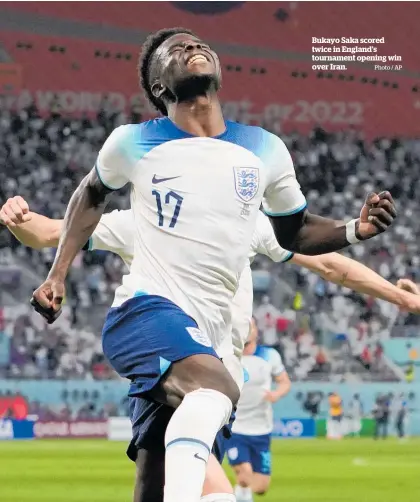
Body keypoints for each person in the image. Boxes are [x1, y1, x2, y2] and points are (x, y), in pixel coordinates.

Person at [24, 27, 396, 502]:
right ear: (160, 87)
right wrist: (57, 274)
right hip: (146, 312)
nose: (192, 48)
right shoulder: (132, 142)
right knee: (217, 390)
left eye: (198, 44)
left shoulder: (264, 149)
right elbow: (88, 195)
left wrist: (352, 230)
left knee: (153, 480)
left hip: (209, 338)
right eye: (175, 50)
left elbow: (294, 232)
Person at [4, 197, 418, 501]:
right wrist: (17, 218)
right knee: (209, 466)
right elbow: (51, 232)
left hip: (215, 367)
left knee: (156, 487)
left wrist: (401, 299)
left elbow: (331, 265)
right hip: (172, 349)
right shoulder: (145, 218)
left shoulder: (248, 223)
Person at [226, 318, 290, 502]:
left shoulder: (269, 355)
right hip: (235, 427)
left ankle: (238, 493)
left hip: (262, 429)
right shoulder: (229, 355)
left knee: (260, 487)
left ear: (256, 332)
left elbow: (284, 382)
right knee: (245, 475)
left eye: (251, 325)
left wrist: (277, 394)